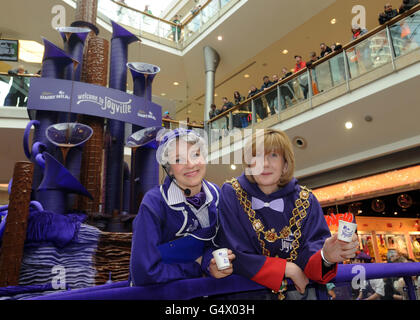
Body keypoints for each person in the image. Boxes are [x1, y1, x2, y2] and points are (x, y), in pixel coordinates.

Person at [215, 129, 359, 300]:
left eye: (273, 155)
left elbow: (312, 254)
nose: (265, 164)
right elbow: (231, 250)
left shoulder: (307, 200)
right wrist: (286, 268)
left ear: (285, 164)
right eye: (257, 156)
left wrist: (326, 257)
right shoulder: (231, 193)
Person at [129, 128, 235, 286]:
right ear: (169, 169)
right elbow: (144, 272)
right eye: (178, 159)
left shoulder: (217, 194)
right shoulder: (154, 203)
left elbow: (215, 244)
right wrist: (197, 268)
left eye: (195, 155)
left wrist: (210, 265)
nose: (190, 164)